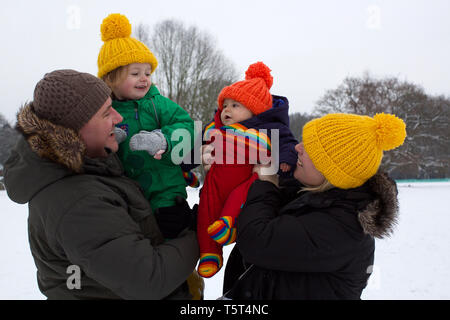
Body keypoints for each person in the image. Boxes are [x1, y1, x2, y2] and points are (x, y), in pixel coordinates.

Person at [3, 69, 199, 299]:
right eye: (107, 113)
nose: (118, 118)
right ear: (75, 130)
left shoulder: (92, 167)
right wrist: (195, 233)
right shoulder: (78, 201)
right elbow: (148, 279)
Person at [221, 112, 407, 299]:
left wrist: (265, 186)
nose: (297, 148)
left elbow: (256, 240)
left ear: (330, 170)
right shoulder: (309, 197)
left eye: (310, 148)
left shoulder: (341, 228)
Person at [197, 62, 298, 278]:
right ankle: (209, 253)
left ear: (253, 110)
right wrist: (185, 164)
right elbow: (196, 145)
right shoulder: (215, 128)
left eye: (235, 105)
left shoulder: (270, 129)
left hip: (248, 179)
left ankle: (229, 223)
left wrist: (286, 160)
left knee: (243, 192)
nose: (226, 110)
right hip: (217, 180)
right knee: (206, 204)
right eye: (225, 105)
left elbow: (287, 143)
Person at [97, 13, 197, 216]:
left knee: (173, 233)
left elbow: (188, 127)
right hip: (130, 199)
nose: (144, 79)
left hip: (167, 194)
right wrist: (109, 142)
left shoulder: (157, 103)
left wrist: (164, 140)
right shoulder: (105, 111)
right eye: (135, 74)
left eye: (148, 73)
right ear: (111, 78)